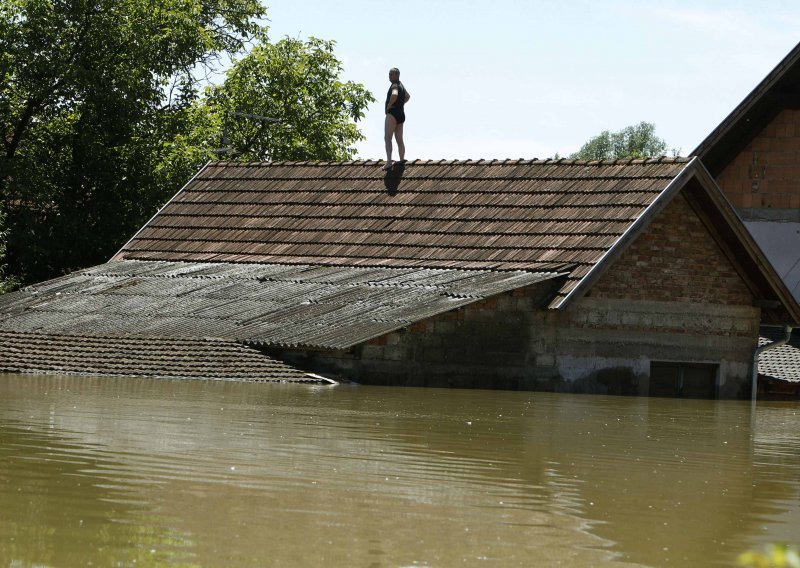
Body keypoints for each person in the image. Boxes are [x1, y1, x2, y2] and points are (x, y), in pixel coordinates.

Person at [384, 67, 410, 171]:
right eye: (389, 74)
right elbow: (408, 96)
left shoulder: (394, 85)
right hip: (401, 114)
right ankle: (402, 159)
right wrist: (401, 103)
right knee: (399, 139)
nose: (389, 76)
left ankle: (389, 162)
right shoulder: (401, 85)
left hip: (393, 114)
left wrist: (389, 105)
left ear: (397, 75)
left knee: (387, 138)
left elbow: (394, 94)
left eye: (391, 74)